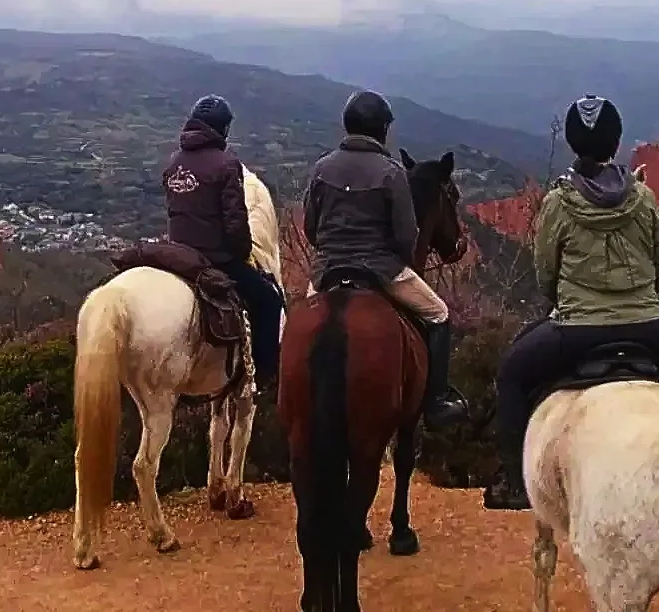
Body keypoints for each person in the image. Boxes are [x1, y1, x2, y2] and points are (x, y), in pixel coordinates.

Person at [482, 94, 659, 511]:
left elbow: (545, 273)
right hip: (648, 327)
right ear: (616, 140)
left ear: (571, 142)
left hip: (575, 331)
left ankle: (512, 482)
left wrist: (566, 302)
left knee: (512, 374)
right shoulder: (645, 198)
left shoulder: (557, 202)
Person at [301, 89, 468, 428]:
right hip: (380, 268)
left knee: (296, 326)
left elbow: (310, 227)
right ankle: (436, 401)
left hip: (326, 272)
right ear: (381, 129)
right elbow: (407, 236)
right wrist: (399, 260)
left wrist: (330, 254)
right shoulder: (392, 173)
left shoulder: (321, 168)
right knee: (439, 314)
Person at [163, 94, 284, 392]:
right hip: (215, 258)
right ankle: (264, 377)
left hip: (177, 253)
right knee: (269, 300)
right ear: (224, 129)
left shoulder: (174, 160)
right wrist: (243, 255)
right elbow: (235, 223)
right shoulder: (227, 163)